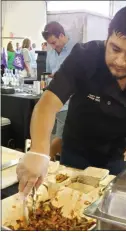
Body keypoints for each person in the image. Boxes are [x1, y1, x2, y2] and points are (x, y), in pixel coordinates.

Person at [17, 3, 126, 197]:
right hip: (75, 150)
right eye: (114, 49)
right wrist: (39, 151)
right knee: (67, 206)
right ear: (108, 38)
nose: (119, 61)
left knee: (105, 204)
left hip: (117, 155)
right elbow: (48, 104)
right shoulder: (85, 56)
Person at [42, 21, 72, 160]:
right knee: (52, 134)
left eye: (54, 42)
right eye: (50, 44)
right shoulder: (50, 54)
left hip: (70, 102)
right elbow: (50, 74)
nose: (53, 46)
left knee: (63, 137)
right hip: (54, 102)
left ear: (61, 35)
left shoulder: (77, 50)